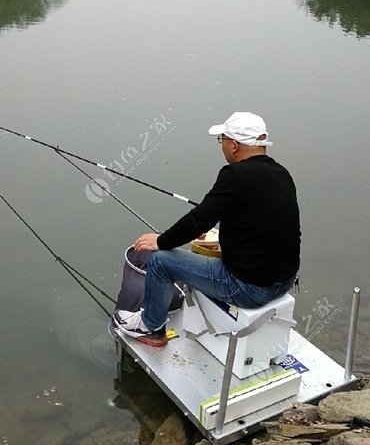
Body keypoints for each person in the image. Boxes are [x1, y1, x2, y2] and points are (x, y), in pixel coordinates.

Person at [113, 112, 300, 344]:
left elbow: (198, 220)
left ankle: (150, 327)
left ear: (234, 146)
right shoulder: (282, 174)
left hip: (248, 289)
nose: (222, 146)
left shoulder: (235, 174)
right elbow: (261, 223)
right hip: (283, 282)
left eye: (222, 140)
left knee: (161, 261)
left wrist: (160, 241)